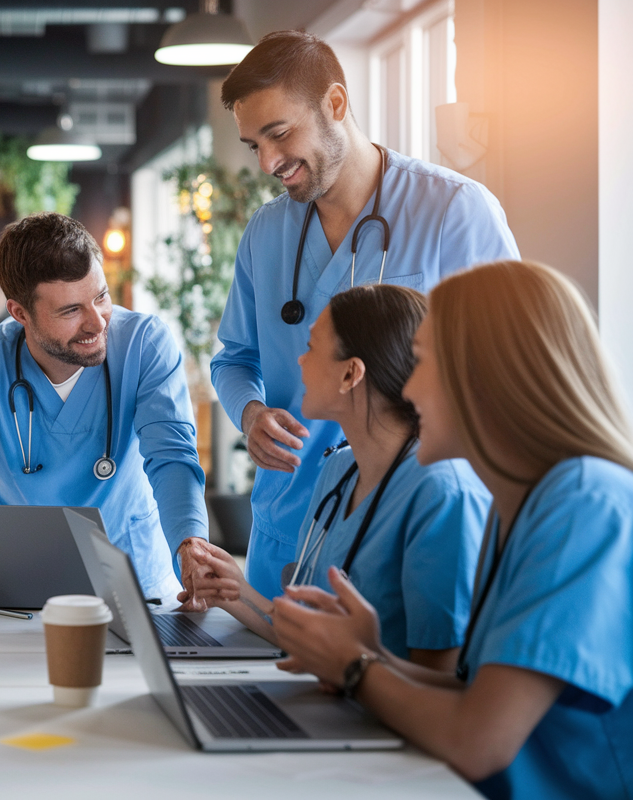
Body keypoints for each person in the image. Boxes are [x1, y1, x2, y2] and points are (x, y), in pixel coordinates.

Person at [269, 261, 632, 799]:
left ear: (486, 377)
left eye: (421, 362)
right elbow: (473, 693)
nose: (408, 388)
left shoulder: (587, 505)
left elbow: (478, 739)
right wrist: (375, 655)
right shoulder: (523, 507)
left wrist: (356, 667)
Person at [210, 30, 519, 600]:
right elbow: (234, 359)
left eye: (279, 134)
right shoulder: (266, 233)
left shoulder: (455, 211)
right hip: (288, 520)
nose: (268, 162)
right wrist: (251, 414)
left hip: (409, 521)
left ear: (335, 104)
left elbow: (507, 372)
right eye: (254, 144)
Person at [0, 212, 210, 607]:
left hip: (135, 579)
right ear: (20, 313)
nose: (97, 322)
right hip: (18, 579)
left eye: (101, 297)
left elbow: (172, 457)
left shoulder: (145, 345)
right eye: (71, 310)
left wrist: (192, 543)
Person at [179, 284, 488, 670]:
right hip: (327, 697)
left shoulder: (442, 494)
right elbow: (311, 641)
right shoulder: (338, 470)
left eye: (311, 348)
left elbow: (437, 678)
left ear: (350, 374)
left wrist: (352, 668)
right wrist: (236, 592)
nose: (300, 361)